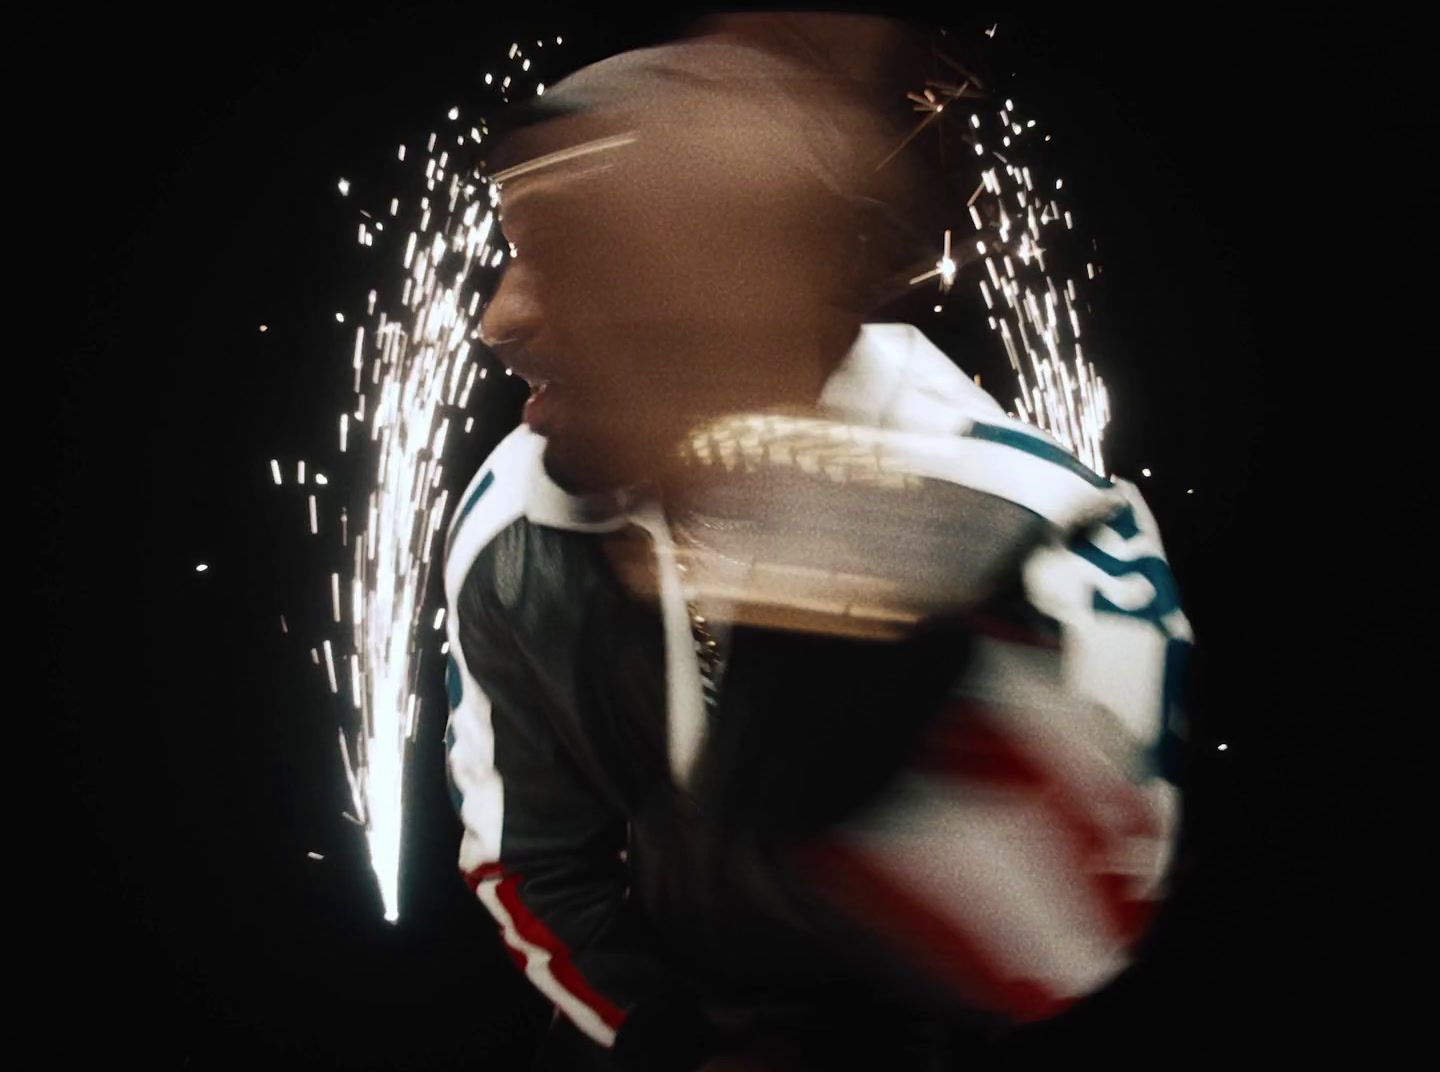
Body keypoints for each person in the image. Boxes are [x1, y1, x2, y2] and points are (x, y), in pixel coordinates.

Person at [443, 14, 1190, 1070]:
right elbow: (529, 857)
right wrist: (661, 1040)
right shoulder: (516, 521)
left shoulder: (1042, 523)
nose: (498, 319)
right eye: (513, 254)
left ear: (734, 283)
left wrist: (870, 648)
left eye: (563, 255)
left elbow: (1072, 927)